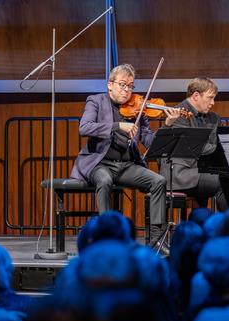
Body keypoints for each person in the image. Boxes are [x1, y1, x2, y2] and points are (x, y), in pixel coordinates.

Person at [70, 63, 168, 246]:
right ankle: (107, 237)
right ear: (110, 84)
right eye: (122, 85)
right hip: (99, 163)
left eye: (130, 86)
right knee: (105, 181)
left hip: (126, 166)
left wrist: (168, 125)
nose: (127, 90)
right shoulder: (96, 101)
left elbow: (149, 141)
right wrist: (118, 126)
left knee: (158, 181)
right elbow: (84, 127)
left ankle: (157, 241)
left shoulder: (138, 109)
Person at [159, 77, 228, 211]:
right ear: (196, 95)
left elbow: (216, 144)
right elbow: (195, 147)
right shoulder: (178, 114)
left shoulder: (213, 118)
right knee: (224, 183)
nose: (213, 102)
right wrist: (215, 148)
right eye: (210, 98)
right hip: (180, 174)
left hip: (201, 170)